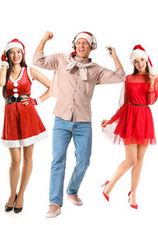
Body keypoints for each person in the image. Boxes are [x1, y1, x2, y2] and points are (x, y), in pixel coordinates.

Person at [33, 31, 125, 218]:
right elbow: (38, 60)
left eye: (86, 43)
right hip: (61, 120)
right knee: (58, 161)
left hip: (83, 123)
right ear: (74, 45)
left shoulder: (95, 69)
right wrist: (44, 40)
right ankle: (54, 203)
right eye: (79, 42)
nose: (81, 46)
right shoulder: (60, 59)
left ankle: (71, 190)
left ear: (91, 47)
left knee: (84, 161)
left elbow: (120, 76)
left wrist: (114, 56)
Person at [0, 39, 51, 213]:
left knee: (27, 157)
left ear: (23, 54)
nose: (15, 55)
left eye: (18, 52)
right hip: (11, 117)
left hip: (28, 115)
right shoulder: (1, 71)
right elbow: (1, 84)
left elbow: (53, 86)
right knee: (15, 160)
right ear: (7, 55)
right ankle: (12, 193)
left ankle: (21, 194)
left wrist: (37, 101)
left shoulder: (30, 71)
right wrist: (4, 64)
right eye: (11, 52)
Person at [100, 45, 158, 210]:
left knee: (140, 160)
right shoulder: (129, 79)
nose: (139, 63)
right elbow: (124, 103)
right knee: (131, 159)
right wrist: (111, 120)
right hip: (130, 117)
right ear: (133, 63)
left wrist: (153, 82)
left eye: (141, 59)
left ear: (146, 59)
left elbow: (151, 101)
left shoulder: (153, 77)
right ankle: (109, 185)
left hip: (144, 118)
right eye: (136, 61)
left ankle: (133, 193)